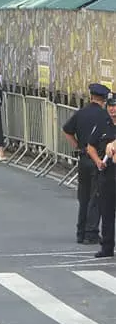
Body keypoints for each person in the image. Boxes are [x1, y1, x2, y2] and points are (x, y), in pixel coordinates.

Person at [65, 83, 111, 244]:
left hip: (84, 158)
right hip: (98, 159)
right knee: (96, 197)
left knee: (83, 197)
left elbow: (67, 130)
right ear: (104, 99)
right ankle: (91, 232)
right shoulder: (104, 116)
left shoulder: (81, 113)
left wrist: (78, 146)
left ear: (91, 96)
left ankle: (81, 231)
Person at [88, 93, 116, 258]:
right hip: (107, 175)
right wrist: (98, 161)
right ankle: (107, 247)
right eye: (110, 106)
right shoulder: (102, 124)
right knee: (106, 212)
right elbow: (90, 146)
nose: (112, 109)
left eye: (115, 106)